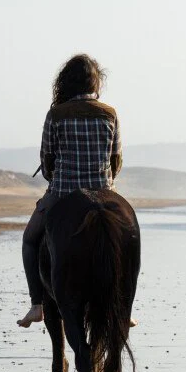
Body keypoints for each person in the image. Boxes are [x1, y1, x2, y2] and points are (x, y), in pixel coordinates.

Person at [17, 54, 124, 328]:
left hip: (63, 193)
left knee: (30, 240)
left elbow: (47, 159)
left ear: (66, 81)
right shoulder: (110, 113)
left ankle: (36, 305)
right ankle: (124, 306)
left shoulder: (56, 114)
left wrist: (56, 178)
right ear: (95, 82)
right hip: (103, 193)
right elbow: (116, 160)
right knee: (126, 239)